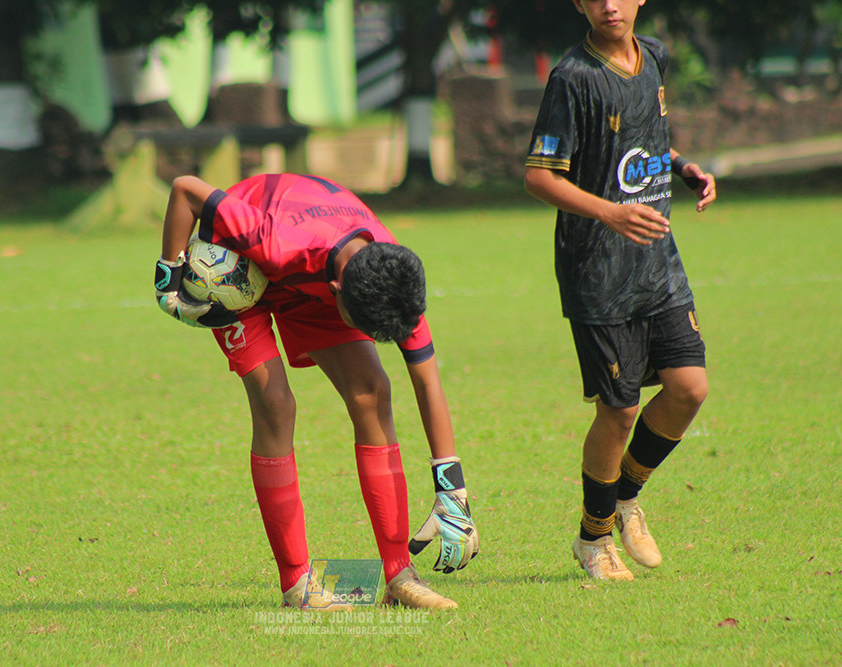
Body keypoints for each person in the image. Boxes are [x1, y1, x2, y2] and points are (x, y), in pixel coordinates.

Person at [153, 173, 479, 608]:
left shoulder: (393, 278)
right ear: (337, 293)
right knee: (275, 404)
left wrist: (451, 490)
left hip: (311, 277)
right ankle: (298, 586)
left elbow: (427, 378)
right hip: (240, 272)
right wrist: (168, 277)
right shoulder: (271, 238)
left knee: (373, 392)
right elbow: (185, 189)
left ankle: (400, 576)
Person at [523, 0, 716, 581]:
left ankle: (626, 496)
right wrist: (610, 213)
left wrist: (682, 167)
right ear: (579, 4)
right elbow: (538, 175)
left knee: (689, 389)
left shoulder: (652, 56)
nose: (610, 5)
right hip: (597, 272)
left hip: (657, 261)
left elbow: (647, 137)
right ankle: (593, 538)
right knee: (621, 407)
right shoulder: (572, 78)